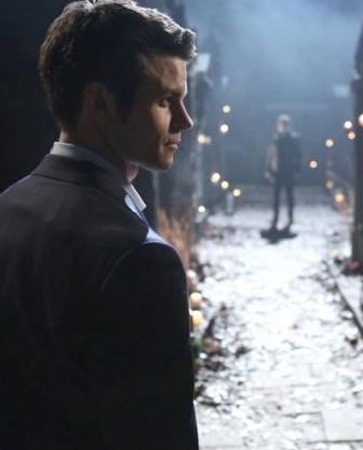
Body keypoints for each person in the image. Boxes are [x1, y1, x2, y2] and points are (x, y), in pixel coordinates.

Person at [0, 1, 199, 448]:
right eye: (165, 100)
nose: (185, 121)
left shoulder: (8, 207)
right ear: (99, 103)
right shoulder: (139, 257)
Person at [264, 114, 302, 234]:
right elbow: (270, 155)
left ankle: (290, 217)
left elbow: (298, 156)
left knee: (289, 196)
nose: (282, 127)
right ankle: (276, 218)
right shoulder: (275, 139)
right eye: (280, 125)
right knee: (276, 198)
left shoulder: (293, 140)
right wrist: (268, 169)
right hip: (277, 171)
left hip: (288, 171)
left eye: (284, 125)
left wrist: (297, 170)